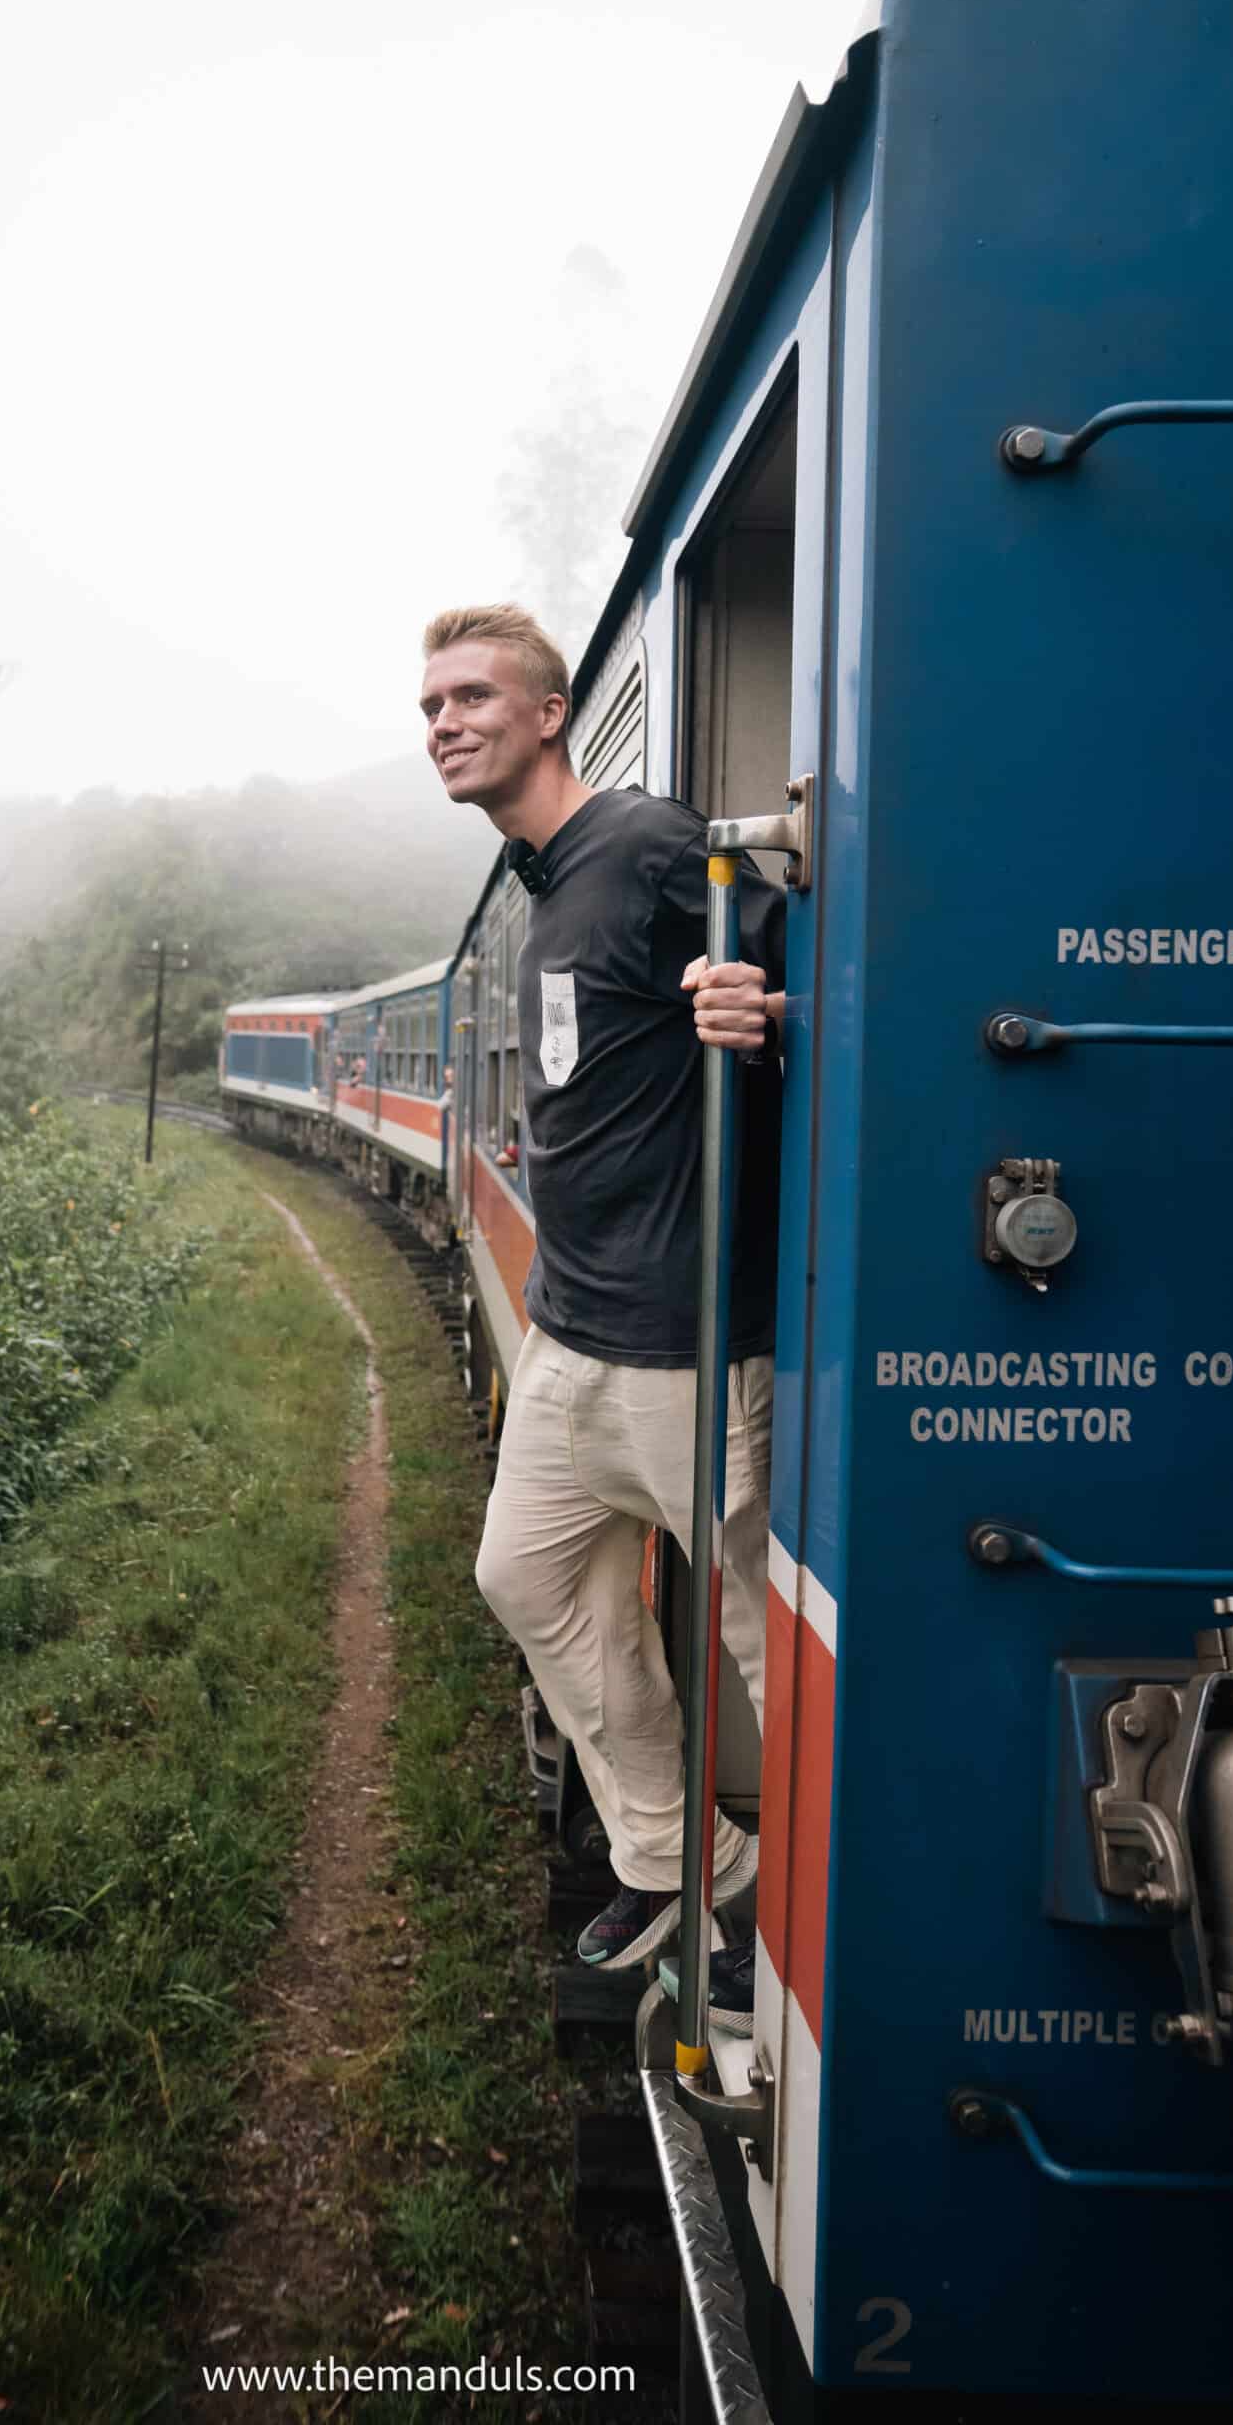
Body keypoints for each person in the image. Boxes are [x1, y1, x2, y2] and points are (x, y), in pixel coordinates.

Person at [420, 603, 783, 2017]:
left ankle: (828, 1936)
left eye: (470, 696)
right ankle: (687, 1855)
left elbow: (765, 964)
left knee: (777, 1650)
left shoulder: (639, 845)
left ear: (550, 710)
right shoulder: (543, 880)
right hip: (575, 1342)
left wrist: (752, 997)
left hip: (690, 1360)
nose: (444, 722)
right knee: (522, 1577)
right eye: (430, 706)